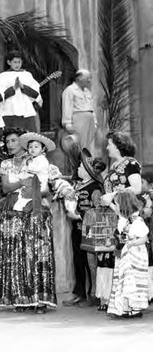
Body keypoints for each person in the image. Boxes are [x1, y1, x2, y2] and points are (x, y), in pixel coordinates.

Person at [0, 127, 57, 313]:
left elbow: (47, 188)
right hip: (14, 210)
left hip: (35, 208)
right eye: (8, 141)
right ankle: (20, 297)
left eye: (13, 140)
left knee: (37, 252)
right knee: (16, 253)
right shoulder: (6, 164)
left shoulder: (38, 161)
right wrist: (22, 182)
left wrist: (34, 189)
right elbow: (5, 188)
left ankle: (40, 299)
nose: (10, 144)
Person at [97, 131, 142, 312]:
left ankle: (132, 304)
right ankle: (117, 302)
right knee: (115, 258)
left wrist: (113, 195)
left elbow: (137, 188)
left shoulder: (130, 163)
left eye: (110, 144)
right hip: (115, 216)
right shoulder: (115, 165)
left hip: (127, 215)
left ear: (118, 145)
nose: (107, 147)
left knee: (127, 258)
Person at [62, 148, 106, 307]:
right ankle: (80, 292)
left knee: (91, 262)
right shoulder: (80, 185)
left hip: (89, 230)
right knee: (78, 261)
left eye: (81, 167)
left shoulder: (94, 187)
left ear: (88, 171)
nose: (78, 169)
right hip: (78, 228)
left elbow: (97, 209)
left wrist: (79, 216)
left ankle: (94, 293)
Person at [107, 190, 149, 318]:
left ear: (124, 205)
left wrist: (132, 243)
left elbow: (144, 238)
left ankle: (135, 308)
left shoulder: (137, 220)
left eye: (118, 204)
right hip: (125, 253)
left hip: (135, 254)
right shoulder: (124, 219)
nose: (117, 206)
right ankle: (124, 308)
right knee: (123, 279)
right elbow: (115, 209)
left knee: (133, 280)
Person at [0, 50, 42, 132]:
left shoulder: (27, 75)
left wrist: (23, 87)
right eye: (15, 62)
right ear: (9, 62)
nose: (17, 65)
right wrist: (13, 88)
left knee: (29, 137)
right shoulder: (3, 76)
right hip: (9, 112)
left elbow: (36, 94)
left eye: (19, 62)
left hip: (26, 112)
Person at [13, 132, 55, 212]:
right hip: (31, 183)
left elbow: (35, 169)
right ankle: (19, 208)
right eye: (30, 147)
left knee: (26, 196)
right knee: (21, 195)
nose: (33, 149)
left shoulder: (42, 160)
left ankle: (23, 208)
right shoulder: (32, 159)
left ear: (42, 149)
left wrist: (27, 163)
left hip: (39, 184)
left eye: (36, 147)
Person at [61, 69, 97, 151]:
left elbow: (91, 107)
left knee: (87, 145)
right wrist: (68, 123)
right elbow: (67, 106)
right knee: (78, 144)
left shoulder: (87, 91)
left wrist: (94, 122)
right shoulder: (70, 90)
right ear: (79, 78)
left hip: (89, 121)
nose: (89, 80)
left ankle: (85, 162)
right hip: (79, 119)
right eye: (87, 78)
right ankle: (79, 162)